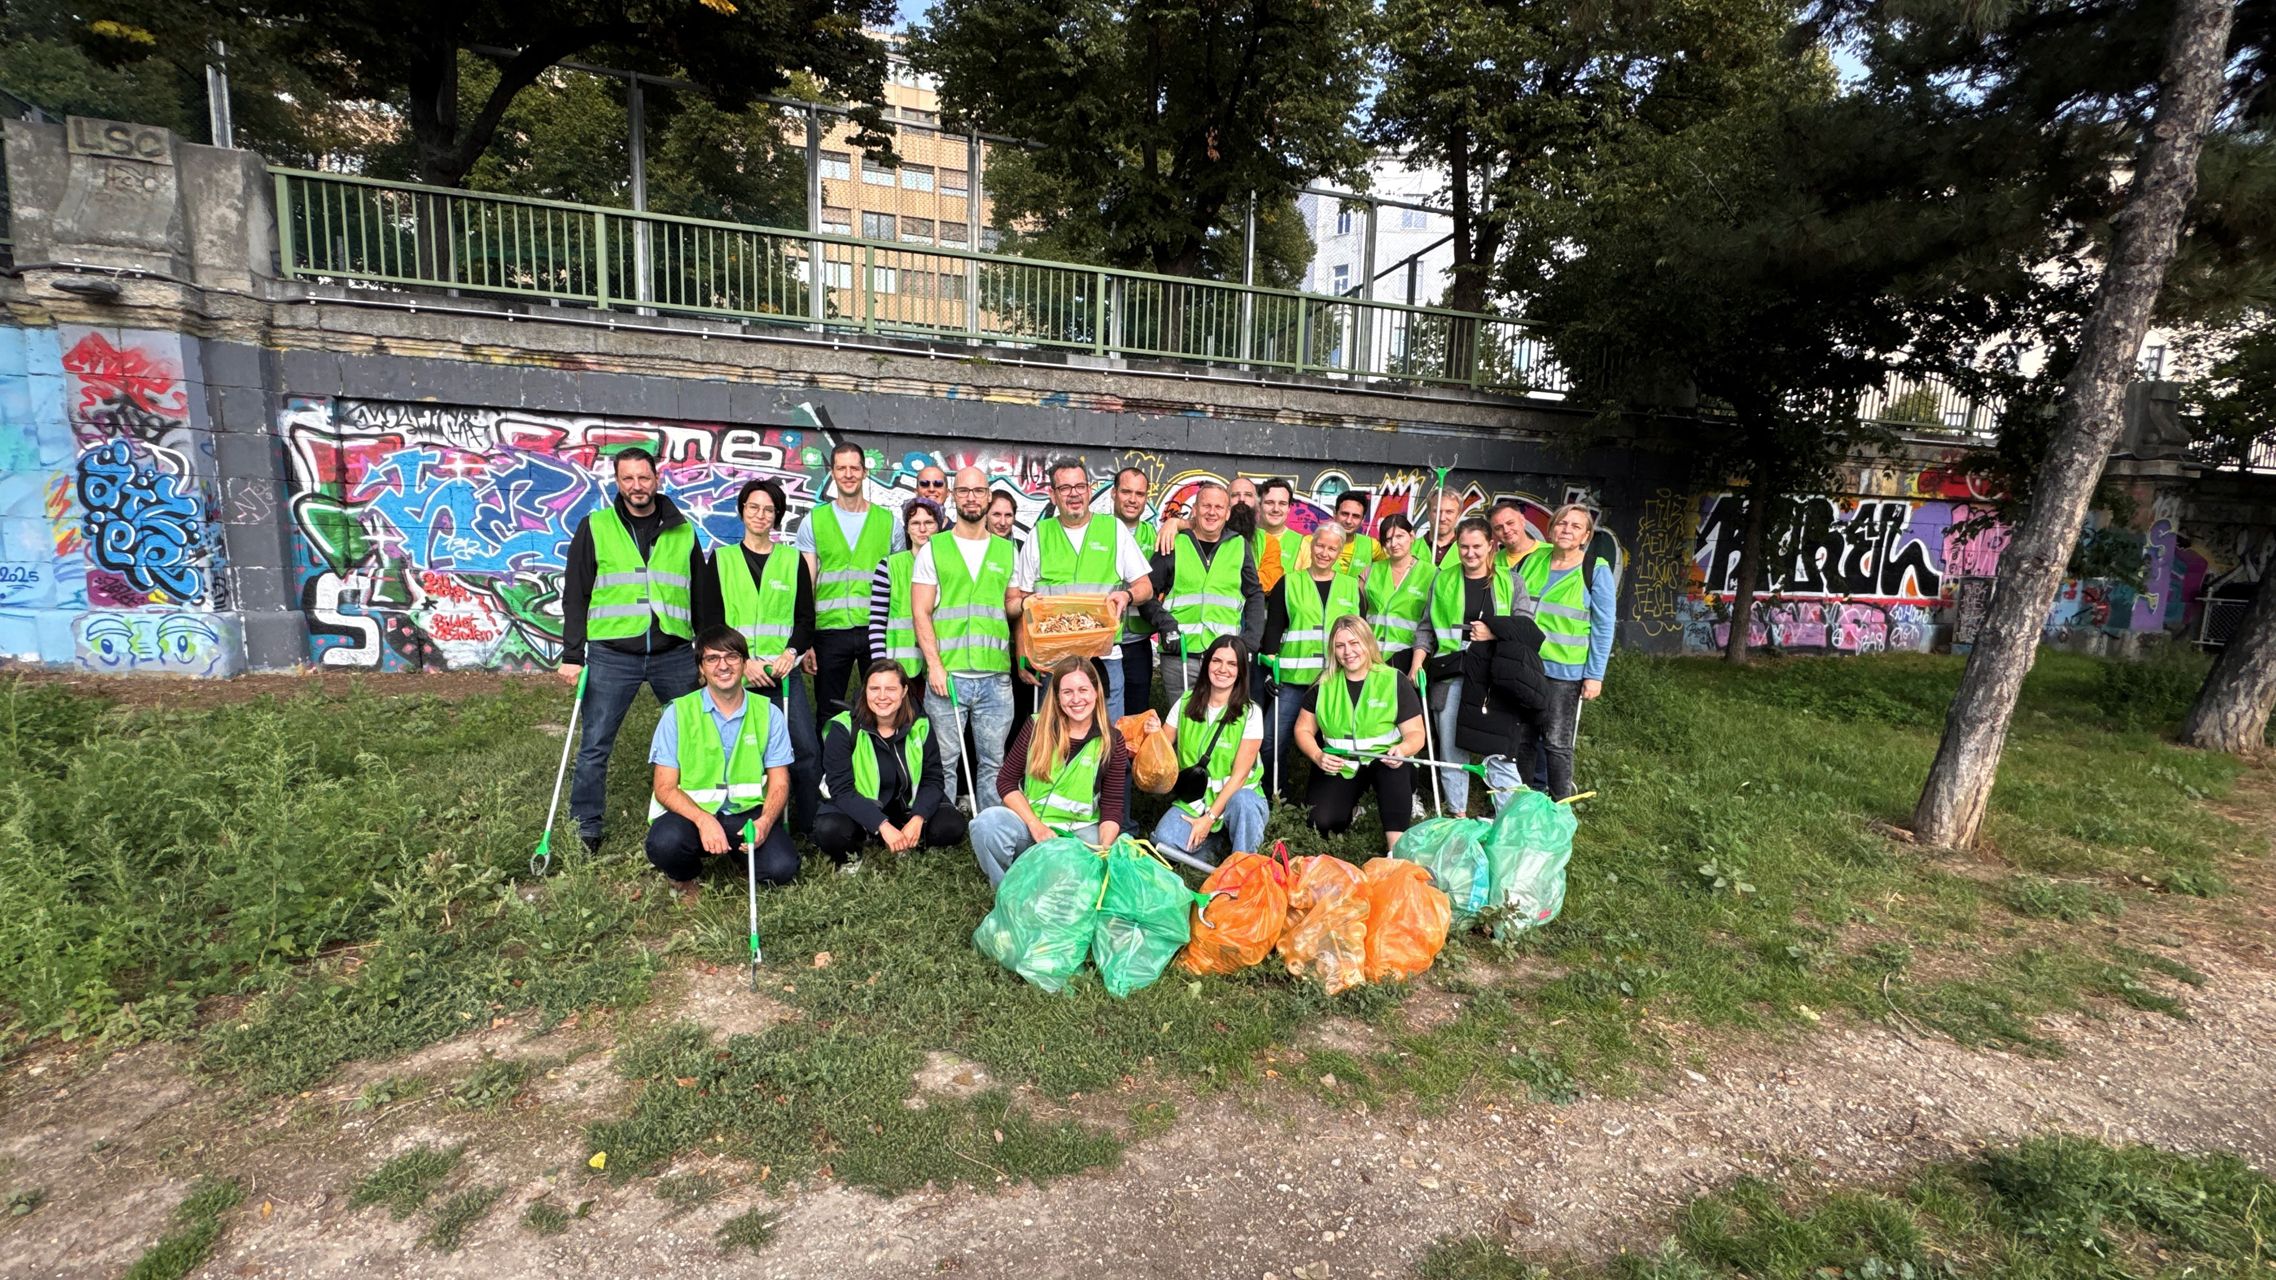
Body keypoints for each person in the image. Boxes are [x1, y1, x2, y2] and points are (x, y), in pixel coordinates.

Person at [560, 447, 703, 855]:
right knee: (595, 743)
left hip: (673, 652)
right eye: (628, 479)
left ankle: (696, 815)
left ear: (657, 479)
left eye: (644, 477)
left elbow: (701, 593)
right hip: (611, 654)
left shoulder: (683, 530)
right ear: (617, 482)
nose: (637, 486)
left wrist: (708, 649)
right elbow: (577, 593)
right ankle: (586, 826)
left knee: (693, 738)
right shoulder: (596, 526)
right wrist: (573, 654)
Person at [694, 477, 820, 835]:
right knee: (741, 752)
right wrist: (743, 663)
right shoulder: (721, 560)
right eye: (754, 507)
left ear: (777, 516)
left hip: (783, 674)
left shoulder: (792, 561)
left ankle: (807, 826)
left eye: (769, 509)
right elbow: (708, 621)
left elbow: (805, 620)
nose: (761, 515)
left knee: (805, 750)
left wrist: (791, 652)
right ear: (742, 511)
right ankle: (739, 821)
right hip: (736, 675)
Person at [645, 626, 795, 902]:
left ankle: (739, 856)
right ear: (701, 669)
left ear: (744, 664)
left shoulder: (768, 713)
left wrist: (765, 822)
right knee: (665, 844)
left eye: (732, 657)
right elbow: (664, 787)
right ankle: (684, 876)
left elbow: (780, 781)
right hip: (690, 816)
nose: (723, 666)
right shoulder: (678, 713)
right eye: (712, 659)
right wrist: (703, 820)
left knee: (782, 868)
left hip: (746, 814)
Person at [1006, 458, 1155, 723]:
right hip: (1053, 663)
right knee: (1054, 747)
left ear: (1089, 489)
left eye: (1080, 486)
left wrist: (1127, 595)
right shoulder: (1039, 535)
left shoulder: (1114, 530)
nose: (1074, 494)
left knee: (1108, 745)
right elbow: (1019, 601)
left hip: (1105, 659)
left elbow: (1145, 587)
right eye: (1064, 488)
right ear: (1052, 494)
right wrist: (1022, 654)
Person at [969, 658, 1133, 887]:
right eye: (1067, 692)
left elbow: (1113, 805)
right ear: (1056, 697)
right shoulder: (1036, 727)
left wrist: (1104, 849)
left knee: (1119, 858)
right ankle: (1007, 889)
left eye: (1083, 690)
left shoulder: (1112, 740)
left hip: (1078, 834)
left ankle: (1045, 877)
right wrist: (1036, 826)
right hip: (1032, 827)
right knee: (986, 824)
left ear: (1096, 692)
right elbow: (1006, 781)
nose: (1076, 699)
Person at [913, 467, 1018, 812]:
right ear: (953, 497)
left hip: (995, 678)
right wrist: (935, 667)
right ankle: (942, 825)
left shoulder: (1006, 551)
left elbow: (1012, 606)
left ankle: (989, 826)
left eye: (978, 491)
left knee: (993, 762)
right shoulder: (935, 548)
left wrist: (1036, 602)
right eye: (964, 491)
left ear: (989, 496)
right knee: (943, 761)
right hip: (950, 676)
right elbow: (921, 613)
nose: (971, 497)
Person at [813, 660, 970, 869]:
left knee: (951, 825)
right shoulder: (843, 727)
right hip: (860, 809)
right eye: (874, 688)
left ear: (904, 690)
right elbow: (841, 790)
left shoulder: (920, 725)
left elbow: (933, 780)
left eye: (891, 688)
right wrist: (881, 825)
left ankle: (907, 838)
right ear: (864, 691)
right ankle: (860, 850)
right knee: (828, 829)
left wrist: (918, 818)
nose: (882, 696)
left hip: (906, 809)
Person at [1293, 615, 1428, 851]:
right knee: (1321, 821)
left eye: (1354, 643)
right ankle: (1355, 806)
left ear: (1367, 643)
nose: (1348, 652)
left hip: (1386, 759)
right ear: (1333, 650)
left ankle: (1394, 854)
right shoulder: (1323, 683)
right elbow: (1303, 729)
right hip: (1343, 764)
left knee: (1395, 778)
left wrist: (1403, 750)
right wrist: (1317, 756)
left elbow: (1417, 733)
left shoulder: (1392, 680)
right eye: (1340, 645)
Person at [1511, 504, 1616, 800]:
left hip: (1565, 672)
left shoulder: (1594, 568)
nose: (1566, 530)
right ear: (1551, 528)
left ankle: (1559, 806)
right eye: (1561, 524)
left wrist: (1595, 675)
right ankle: (1525, 801)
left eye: (1575, 526)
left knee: (1556, 742)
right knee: (1523, 739)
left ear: (1585, 536)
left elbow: (1603, 626)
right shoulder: (1530, 560)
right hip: (1526, 668)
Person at [799, 440, 903, 725]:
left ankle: (876, 766)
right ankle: (831, 769)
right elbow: (806, 584)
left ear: (864, 472)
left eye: (854, 468)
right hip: (830, 630)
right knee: (828, 709)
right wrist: (805, 640)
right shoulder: (814, 521)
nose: (848, 474)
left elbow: (900, 583)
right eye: (841, 468)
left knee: (883, 707)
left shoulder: (889, 522)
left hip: (876, 628)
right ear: (831, 472)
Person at [1426, 519, 1525, 814]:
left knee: (1498, 748)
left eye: (1477, 546)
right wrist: (1419, 661)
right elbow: (1425, 628)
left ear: (1491, 546)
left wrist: (1494, 632)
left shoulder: (1511, 582)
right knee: (1451, 750)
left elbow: (1525, 627)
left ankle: (1509, 816)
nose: (1470, 553)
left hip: (1495, 677)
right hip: (1451, 674)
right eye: (1464, 547)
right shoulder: (1442, 579)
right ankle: (1458, 815)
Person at [1151, 635, 1268, 863]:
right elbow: (1160, 753)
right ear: (1207, 665)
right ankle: (1220, 847)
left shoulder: (1250, 712)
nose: (1223, 669)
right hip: (1196, 803)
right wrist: (1152, 733)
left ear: (1241, 671)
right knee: (1163, 839)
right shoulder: (1185, 703)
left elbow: (1240, 776)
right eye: (1217, 661)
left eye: (1232, 664)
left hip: (1237, 801)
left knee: (1243, 801)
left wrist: (1210, 818)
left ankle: (1242, 864)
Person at [1264, 522, 1364, 786]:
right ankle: (1275, 795)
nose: (1324, 552)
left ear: (1340, 552)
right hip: (1292, 681)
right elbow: (1273, 632)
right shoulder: (1289, 583)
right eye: (1320, 545)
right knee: (1271, 741)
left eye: (1332, 548)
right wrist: (1268, 671)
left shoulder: (1351, 587)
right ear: (1311, 544)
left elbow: (1361, 638)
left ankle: (1326, 797)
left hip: (1335, 682)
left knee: (1335, 743)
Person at [1148, 479, 1265, 701]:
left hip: (1225, 658)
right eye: (1206, 506)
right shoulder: (1174, 542)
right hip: (1180, 656)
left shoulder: (1239, 545)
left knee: (1221, 727)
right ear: (1195, 510)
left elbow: (1255, 595)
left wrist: (1250, 643)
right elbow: (1146, 593)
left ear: (1227, 513)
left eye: (1219, 507)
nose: (1212, 513)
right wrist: (1165, 625)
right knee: (1182, 726)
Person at [869, 497, 944, 677]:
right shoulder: (888, 566)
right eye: (915, 523)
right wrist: (881, 667)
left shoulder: (950, 565)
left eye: (929, 522)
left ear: (939, 527)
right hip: (900, 668)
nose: (922, 529)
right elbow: (877, 622)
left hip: (942, 665)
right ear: (907, 528)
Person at [1111, 467, 1165, 715]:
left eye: (1140, 494)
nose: (1133, 499)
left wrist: (1176, 521)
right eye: (1126, 491)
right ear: (1113, 493)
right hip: (1103, 641)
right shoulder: (1099, 531)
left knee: (1135, 716)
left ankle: (1128, 757)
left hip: (1138, 643)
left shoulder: (1155, 536)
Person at [1364, 512, 1435, 684]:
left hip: (1408, 658)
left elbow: (1431, 624)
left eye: (1399, 536)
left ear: (1412, 536)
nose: (1393, 544)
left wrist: (1417, 662)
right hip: (1371, 659)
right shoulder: (1370, 571)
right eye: (1387, 539)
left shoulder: (1431, 574)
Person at [1303, 490, 1381, 580]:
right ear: (1335, 513)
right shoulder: (1308, 542)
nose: (1348, 521)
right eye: (1344, 514)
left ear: (1362, 520)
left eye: (1355, 516)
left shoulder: (1372, 546)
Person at [1490, 499, 1539, 575]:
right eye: (1498, 528)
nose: (1506, 530)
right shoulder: (1492, 562)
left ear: (1522, 520)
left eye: (1510, 523)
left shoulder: (1550, 553)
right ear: (1494, 533)